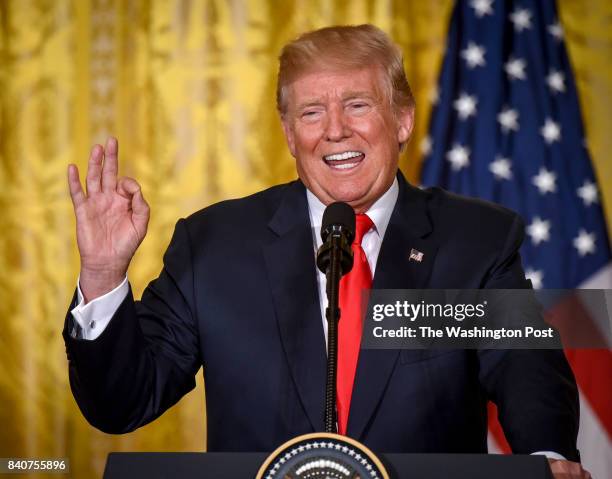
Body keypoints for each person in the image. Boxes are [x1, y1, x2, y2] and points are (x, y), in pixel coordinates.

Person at [64, 25, 590, 478]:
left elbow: (529, 371)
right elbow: (122, 403)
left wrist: (546, 461)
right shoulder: (214, 244)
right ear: (290, 134)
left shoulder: (474, 240)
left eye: (357, 105)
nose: (335, 129)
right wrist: (104, 274)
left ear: (402, 120)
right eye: (311, 112)